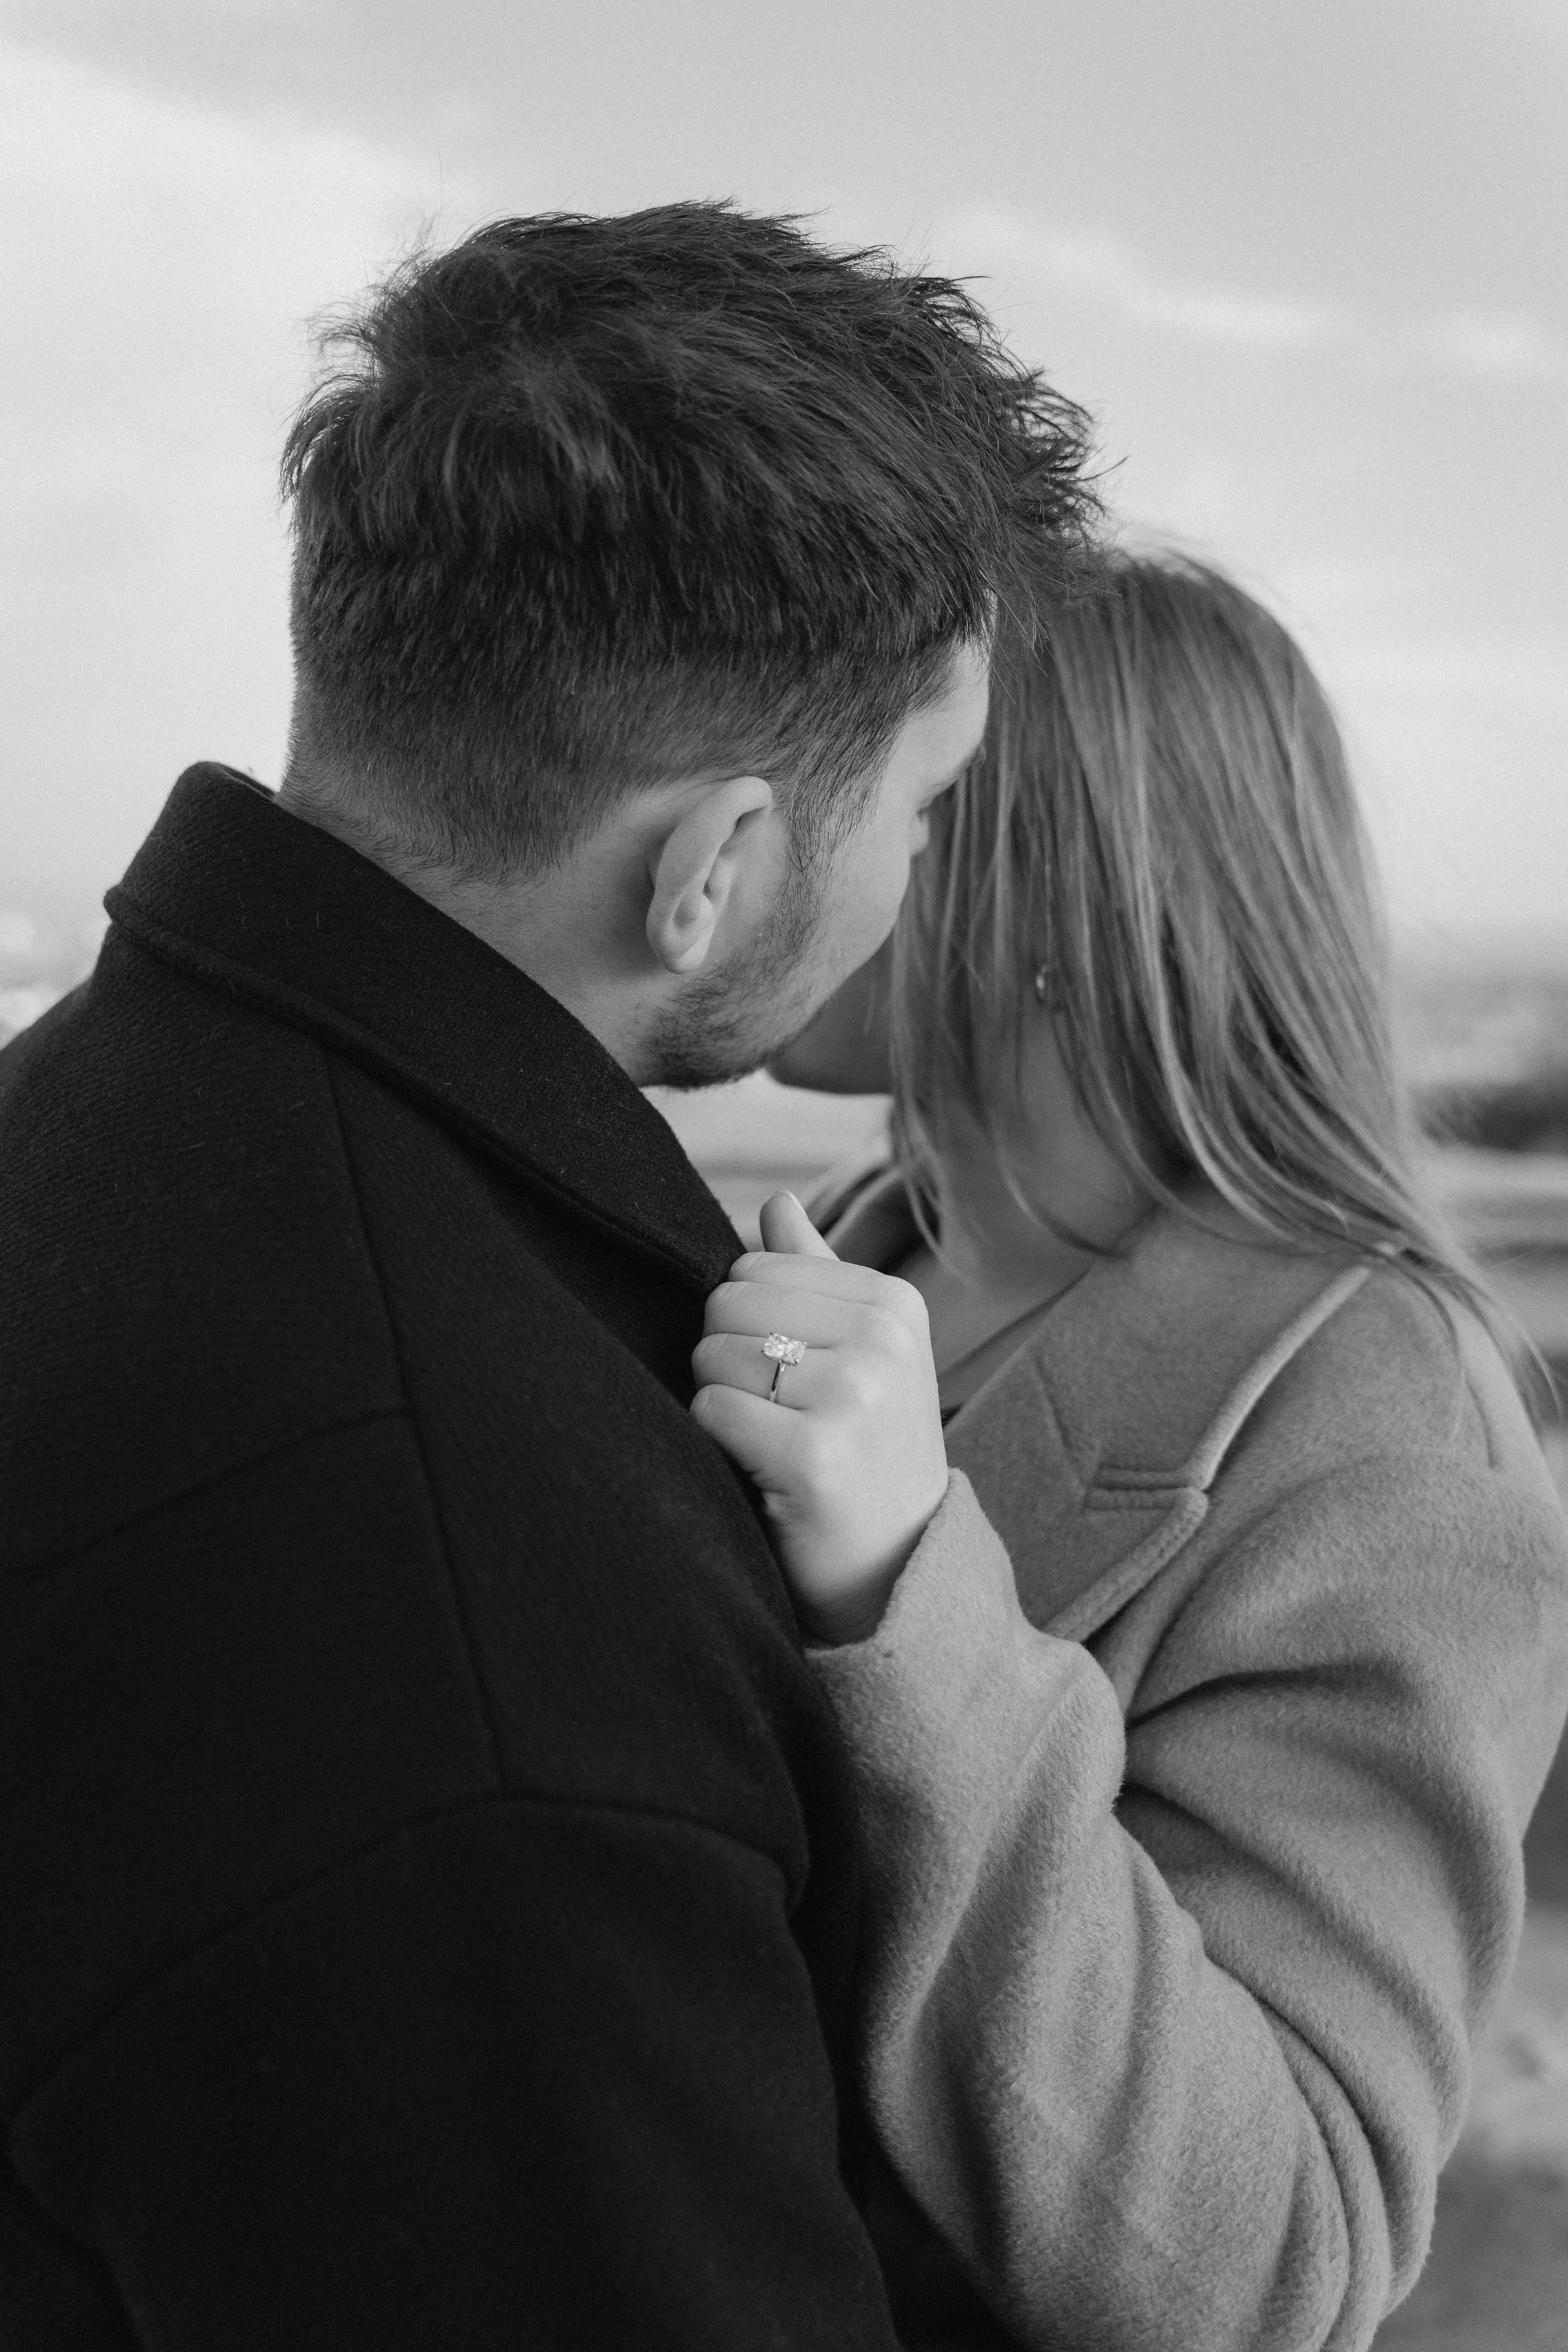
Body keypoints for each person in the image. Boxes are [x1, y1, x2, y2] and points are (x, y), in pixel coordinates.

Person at [0, 204, 1096, 2348]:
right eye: (926, 801)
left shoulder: (86, 1132)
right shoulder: (480, 1591)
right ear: (713, 876)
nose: (928, 872)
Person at [697, 553, 1568, 2350]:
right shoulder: (846, 1255)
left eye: (870, 775)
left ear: (1047, 880)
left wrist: (901, 1593)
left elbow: (1275, 2267)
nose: (773, 819)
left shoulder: (1388, 1429)